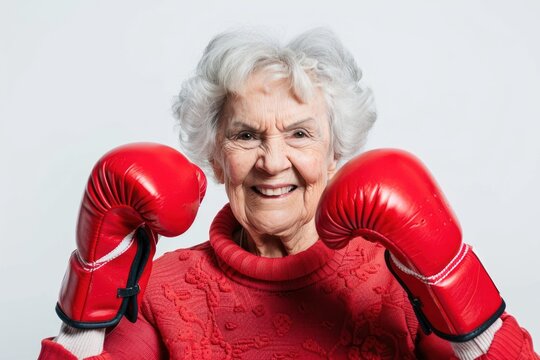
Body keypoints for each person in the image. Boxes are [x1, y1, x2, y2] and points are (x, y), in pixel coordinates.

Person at [39, 28, 538, 359]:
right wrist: (91, 288)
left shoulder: (399, 275)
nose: (273, 161)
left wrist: (455, 285)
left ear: (336, 153)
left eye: (300, 134)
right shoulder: (160, 289)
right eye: (246, 135)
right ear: (214, 156)